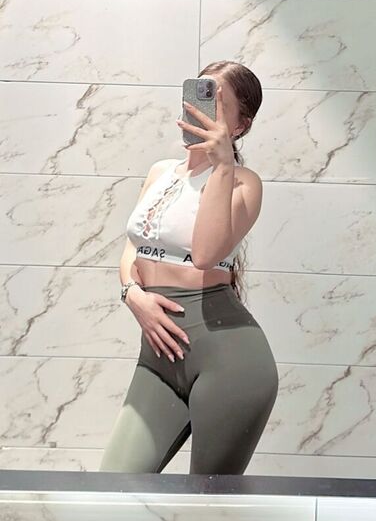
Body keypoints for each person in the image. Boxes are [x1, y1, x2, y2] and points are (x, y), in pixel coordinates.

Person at [99, 60, 279, 475]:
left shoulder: (244, 183)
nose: (198, 110)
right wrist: (133, 295)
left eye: (215, 103)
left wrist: (222, 164)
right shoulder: (160, 172)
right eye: (197, 94)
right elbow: (133, 247)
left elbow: (205, 254)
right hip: (159, 356)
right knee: (112, 487)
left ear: (240, 125)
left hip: (230, 363)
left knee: (209, 503)